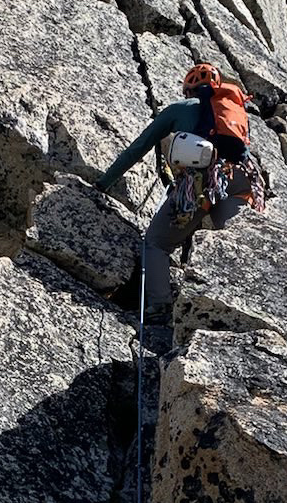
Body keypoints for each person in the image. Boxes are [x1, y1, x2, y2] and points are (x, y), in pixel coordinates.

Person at [95, 63, 265, 319]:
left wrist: (102, 184)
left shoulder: (179, 110)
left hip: (202, 184)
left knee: (156, 243)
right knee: (230, 244)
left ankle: (160, 307)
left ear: (189, 90)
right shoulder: (233, 113)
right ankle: (241, 306)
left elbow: (138, 148)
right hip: (242, 182)